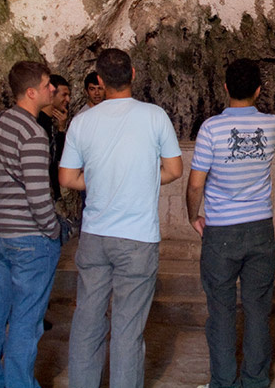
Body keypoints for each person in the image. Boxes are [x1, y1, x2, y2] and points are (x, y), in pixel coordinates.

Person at [60, 48, 182, 388]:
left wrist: (97, 180)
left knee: (87, 320)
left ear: (98, 80)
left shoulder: (82, 121)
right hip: (138, 237)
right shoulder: (155, 116)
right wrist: (144, 177)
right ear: (132, 74)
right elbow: (174, 169)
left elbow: (68, 178)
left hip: (95, 235)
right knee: (129, 328)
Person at [186, 58, 275, 388]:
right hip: (260, 229)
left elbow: (196, 182)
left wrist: (192, 216)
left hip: (221, 231)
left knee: (222, 310)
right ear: (258, 90)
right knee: (257, 310)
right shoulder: (271, 125)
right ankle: (255, 381)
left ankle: (223, 382)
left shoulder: (211, 128)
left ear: (225, 88)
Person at [0, 61, 61, 388]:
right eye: (47, 85)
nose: (52, 89)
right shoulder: (33, 134)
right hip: (29, 236)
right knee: (27, 318)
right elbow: (39, 197)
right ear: (31, 93)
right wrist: (54, 231)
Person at [37, 74, 71, 202]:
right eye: (64, 95)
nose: (68, 100)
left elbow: (58, 156)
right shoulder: (38, 123)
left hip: (52, 195)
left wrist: (61, 130)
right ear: (51, 94)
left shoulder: (51, 123)